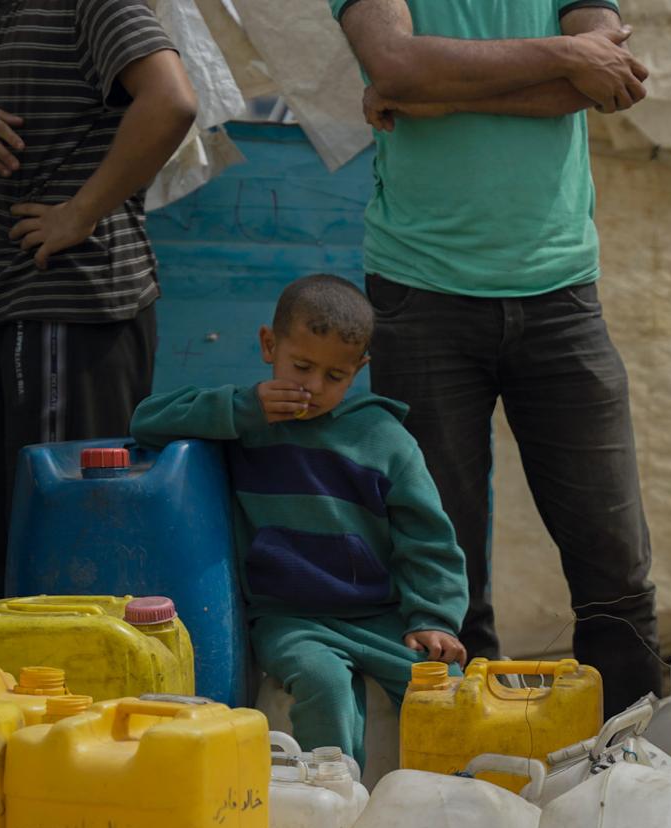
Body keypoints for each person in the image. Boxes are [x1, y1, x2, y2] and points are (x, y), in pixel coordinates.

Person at [329, 0, 661, 718]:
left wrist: (436, 91)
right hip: (420, 294)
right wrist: (565, 56)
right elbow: (395, 62)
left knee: (613, 555)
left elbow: (607, 82)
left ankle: (634, 770)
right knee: (439, 559)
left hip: (562, 292)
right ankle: (461, 768)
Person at [0, 0, 197, 601]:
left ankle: (69, 691)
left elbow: (171, 100)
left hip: (69, 306)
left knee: (62, 538)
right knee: (2, 533)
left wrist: (80, 212)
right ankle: (26, 690)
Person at [131, 275, 467, 763]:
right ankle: (333, 807)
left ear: (359, 371)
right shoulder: (246, 422)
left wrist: (434, 618)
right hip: (290, 620)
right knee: (323, 684)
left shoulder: (384, 437)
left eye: (335, 376)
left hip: (380, 617)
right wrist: (243, 409)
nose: (313, 386)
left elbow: (427, 538)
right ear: (270, 344)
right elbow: (146, 420)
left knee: (447, 690)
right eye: (302, 366)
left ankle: (450, 799)